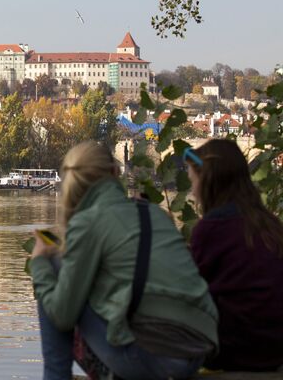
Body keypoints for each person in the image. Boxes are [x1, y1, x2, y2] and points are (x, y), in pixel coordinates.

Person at [31, 141, 218, 380]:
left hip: (152, 360)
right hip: (196, 351)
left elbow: (62, 315)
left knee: (53, 268)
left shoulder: (87, 223)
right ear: (115, 172)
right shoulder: (153, 213)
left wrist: (38, 263)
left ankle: (55, 376)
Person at [185, 139, 283, 371]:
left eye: (193, 182)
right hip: (277, 348)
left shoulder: (211, 229)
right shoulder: (270, 224)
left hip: (236, 350)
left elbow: (193, 293)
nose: (193, 191)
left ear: (207, 181)